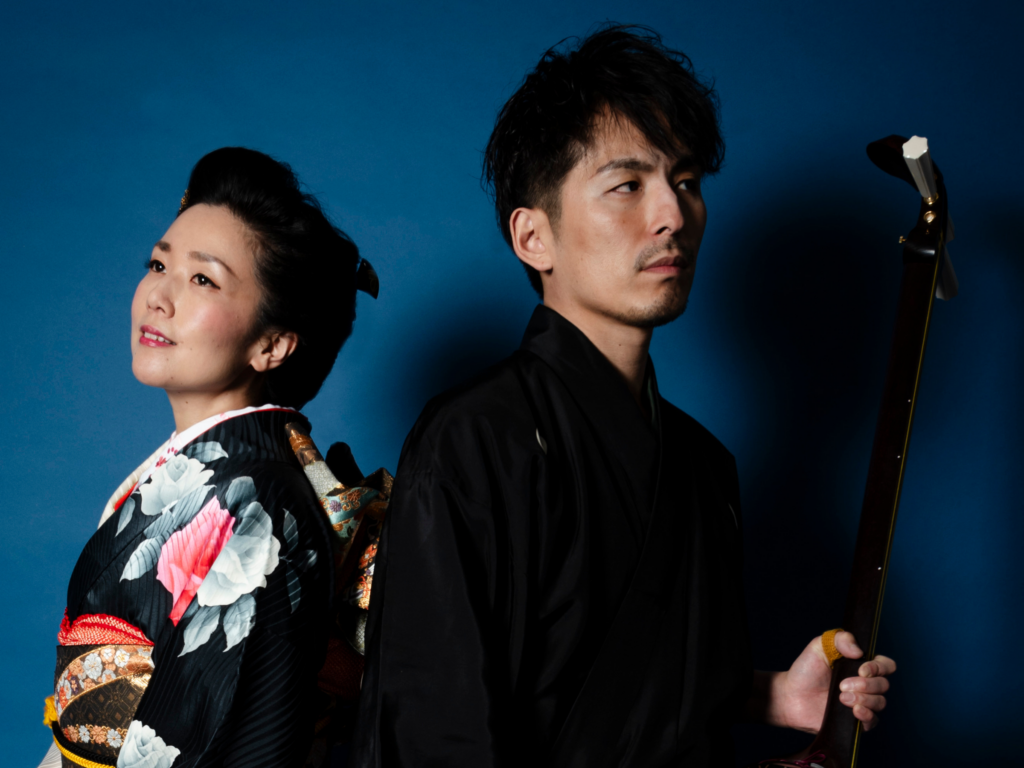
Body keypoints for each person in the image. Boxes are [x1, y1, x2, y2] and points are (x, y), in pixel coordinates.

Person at [353, 26, 896, 767]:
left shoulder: (704, 467)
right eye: (627, 185)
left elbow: (644, 700)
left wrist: (775, 697)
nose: (673, 214)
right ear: (533, 237)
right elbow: (431, 729)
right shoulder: (475, 438)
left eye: (687, 181)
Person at [40, 147, 380, 768]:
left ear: (273, 344)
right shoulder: (221, 478)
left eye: (202, 279)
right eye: (158, 264)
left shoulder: (255, 504)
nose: (158, 296)